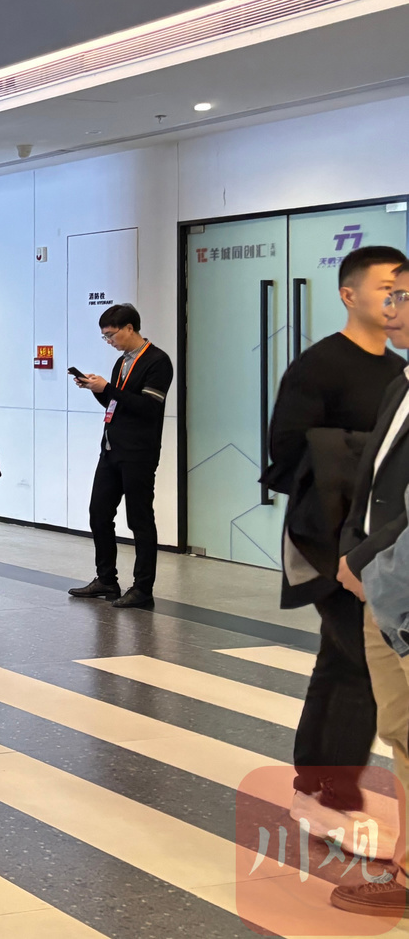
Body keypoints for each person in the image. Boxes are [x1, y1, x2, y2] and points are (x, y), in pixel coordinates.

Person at [257, 246, 408, 833]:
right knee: (359, 657)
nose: (395, 300)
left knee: (341, 655)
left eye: (402, 291)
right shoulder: (319, 365)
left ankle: (317, 781)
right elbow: (285, 451)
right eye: (387, 288)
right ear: (349, 294)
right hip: (325, 534)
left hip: (378, 543)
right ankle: (335, 789)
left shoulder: (396, 373)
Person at [331, 263, 409, 916]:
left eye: (404, 297)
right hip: (385, 590)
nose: (393, 308)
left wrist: (363, 559)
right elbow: (377, 484)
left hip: (395, 579)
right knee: (402, 731)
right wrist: (351, 550)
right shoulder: (400, 382)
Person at [66, 304, 175, 610]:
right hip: (111, 449)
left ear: (130, 328)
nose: (110, 341)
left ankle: (143, 588)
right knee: (98, 513)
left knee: (139, 519)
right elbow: (116, 405)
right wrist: (97, 389)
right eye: (105, 337)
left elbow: (148, 407)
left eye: (111, 335)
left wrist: (109, 388)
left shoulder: (157, 361)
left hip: (139, 453)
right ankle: (106, 579)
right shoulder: (121, 362)